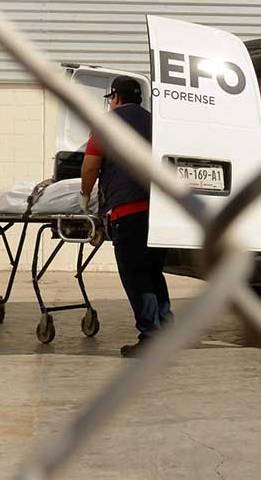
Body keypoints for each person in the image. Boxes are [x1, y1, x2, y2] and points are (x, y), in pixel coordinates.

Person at [79, 76, 171, 357]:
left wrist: (85, 196)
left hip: (129, 211)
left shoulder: (108, 124)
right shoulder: (158, 122)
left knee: (136, 274)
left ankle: (151, 336)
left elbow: (91, 166)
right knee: (154, 271)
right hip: (161, 211)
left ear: (115, 98)